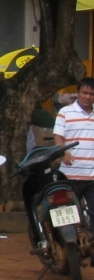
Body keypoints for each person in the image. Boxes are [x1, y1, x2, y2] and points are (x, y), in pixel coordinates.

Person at [53, 77, 94, 221]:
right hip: (70, 174)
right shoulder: (65, 112)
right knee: (69, 215)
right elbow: (58, 136)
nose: (88, 97)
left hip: (92, 175)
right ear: (78, 92)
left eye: (91, 94)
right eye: (84, 93)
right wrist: (62, 152)